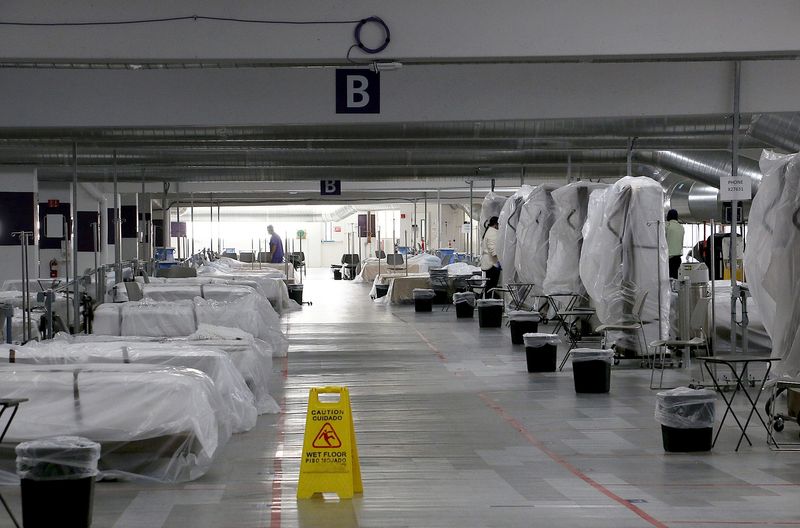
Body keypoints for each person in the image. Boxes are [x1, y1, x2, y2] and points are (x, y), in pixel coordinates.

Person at [480, 216, 501, 297]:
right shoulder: (493, 232)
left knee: (489, 285)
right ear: (496, 224)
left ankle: (487, 301)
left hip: (488, 262)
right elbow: (492, 248)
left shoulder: (489, 231)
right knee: (491, 285)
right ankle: (489, 303)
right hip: (492, 263)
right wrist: (499, 258)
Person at [665, 209, 685, 279]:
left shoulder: (666, 226)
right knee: (675, 278)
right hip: (677, 258)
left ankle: (668, 290)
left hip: (668, 258)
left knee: (667, 278)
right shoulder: (681, 227)